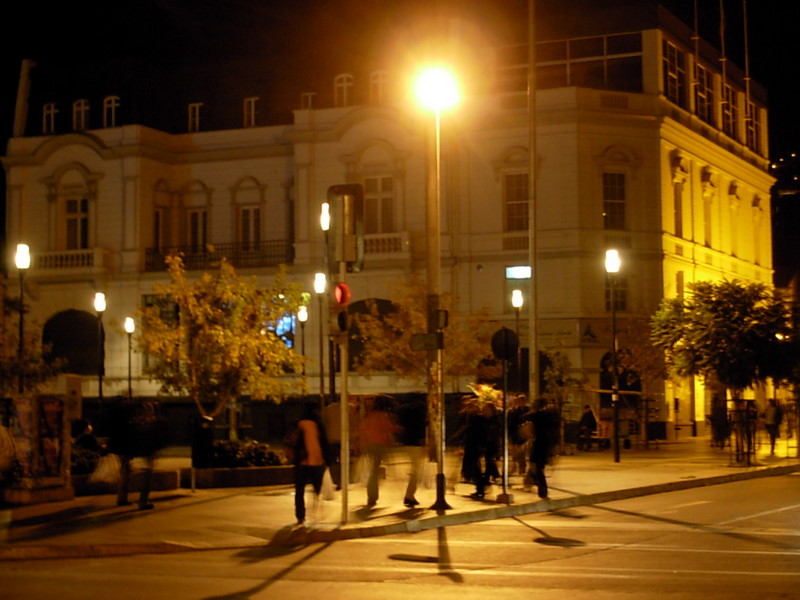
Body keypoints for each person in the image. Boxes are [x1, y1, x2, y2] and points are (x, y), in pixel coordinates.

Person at [108, 396, 165, 510]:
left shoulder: (132, 421)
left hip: (132, 452)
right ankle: (142, 501)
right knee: (146, 476)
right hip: (145, 452)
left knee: (126, 474)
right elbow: (154, 438)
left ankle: (122, 498)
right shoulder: (150, 422)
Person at [287, 401, 332, 526]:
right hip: (315, 462)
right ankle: (315, 511)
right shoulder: (318, 425)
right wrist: (328, 460)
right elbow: (324, 444)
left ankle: (300, 516)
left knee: (299, 490)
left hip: (300, 462)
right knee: (317, 488)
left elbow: (290, 442)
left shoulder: (297, 424)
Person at [360, 396, 400, 507]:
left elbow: (364, 429)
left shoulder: (369, 415)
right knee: (374, 472)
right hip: (379, 445)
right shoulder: (382, 415)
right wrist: (398, 428)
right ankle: (373, 496)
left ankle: (371, 496)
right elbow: (387, 428)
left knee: (373, 471)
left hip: (369, 445)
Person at [462, 400, 500, 500]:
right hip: (479, 446)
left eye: (486, 410)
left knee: (485, 465)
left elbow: (491, 434)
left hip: (488, 446)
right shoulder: (480, 419)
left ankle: (482, 486)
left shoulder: (494, 421)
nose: (484, 412)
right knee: (477, 467)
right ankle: (482, 485)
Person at [524, 398, 560, 499]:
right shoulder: (551, 416)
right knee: (537, 466)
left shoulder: (535, 416)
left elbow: (527, 423)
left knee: (537, 467)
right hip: (546, 443)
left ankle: (542, 489)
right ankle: (534, 482)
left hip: (538, 443)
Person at [396, 396, 427, 507]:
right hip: (416, 442)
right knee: (417, 470)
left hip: (407, 441)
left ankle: (410, 494)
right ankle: (409, 495)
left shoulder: (403, 410)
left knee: (415, 469)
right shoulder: (420, 410)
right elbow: (422, 426)